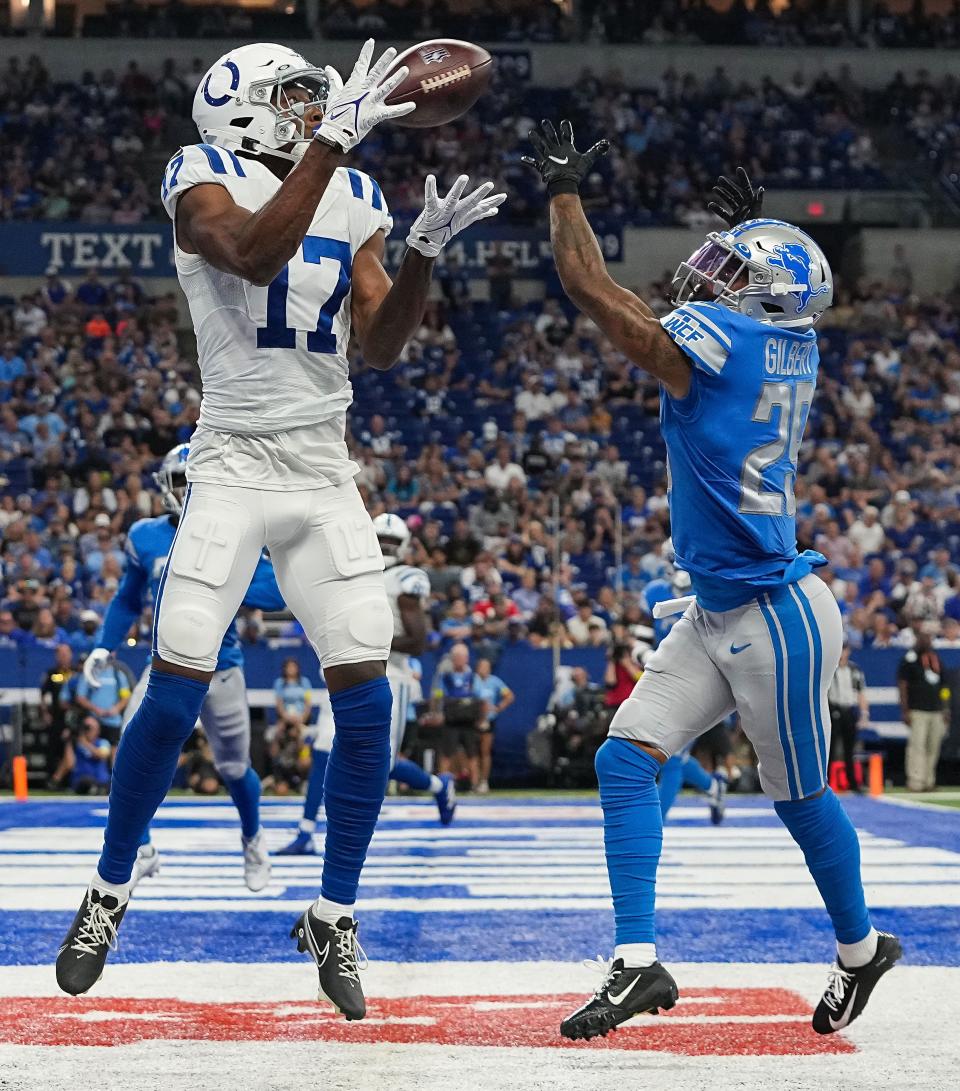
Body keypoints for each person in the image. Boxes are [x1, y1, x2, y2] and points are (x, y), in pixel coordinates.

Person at [56, 38, 504, 1020]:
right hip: (228, 462)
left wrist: (420, 254)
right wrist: (330, 150)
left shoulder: (354, 196)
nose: (319, 106)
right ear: (239, 107)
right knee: (174, 688)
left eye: (317, 95)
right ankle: (110, 887)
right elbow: (253, 252)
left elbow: (380, 344)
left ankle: (335, 909)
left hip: (320, 466)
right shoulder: (198, 171)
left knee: (369, 696)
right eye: (297, 95)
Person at [524, 132, 900, 1040]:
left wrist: (566, 194)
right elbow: (742, 314)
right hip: (724, 601)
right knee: (626, 755)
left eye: (730, 269)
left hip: (777, 616)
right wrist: (748, 236)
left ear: (758, 298)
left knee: (801, 799)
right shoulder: (782, 338)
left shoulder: (725, 340)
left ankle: (861, 949)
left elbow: (594, 293)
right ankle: (636, 961)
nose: (709, 279)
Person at [80, 444, 286, 892]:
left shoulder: (237, 534)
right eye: (180, 479)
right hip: (166, 665)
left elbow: (278, 594)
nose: (187, 489)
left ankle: (253, 837)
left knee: (233, 768)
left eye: (194, 479)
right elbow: (128, 598)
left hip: (222, 667)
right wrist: (104, 646)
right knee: (130, 752)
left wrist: (241, 568)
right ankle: (143, 848)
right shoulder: (146, 536)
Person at [278, 513, 456, 854]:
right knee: (321, 751)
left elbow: (418, 641)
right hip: (344, 669)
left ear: (403, 548)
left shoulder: (405, 579)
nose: (386, 547)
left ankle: (437, 785)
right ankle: (305, 832)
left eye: (391, 543)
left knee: (381, 764)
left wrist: (365, 643)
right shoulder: (351, 573)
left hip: (389, 674)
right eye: (382, 540)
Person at [898, 632, 948, 792]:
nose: (927, 641)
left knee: (933, 747)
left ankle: (928, 781)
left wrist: (945, 708)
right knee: (917, 746)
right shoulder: (910, 659)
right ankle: (916, 782)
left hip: (936, 710)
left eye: (929, 639)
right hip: (918, 710)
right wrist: (905, 710)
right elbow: (903, 685)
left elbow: (944, 687)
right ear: (918, 640)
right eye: (924, 639)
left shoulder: (936, 659)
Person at [438, 642, 483, 788]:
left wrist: (481, 718)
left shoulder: (472, 677)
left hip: (468, 721)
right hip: (451, 721)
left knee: (472, 753)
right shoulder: (446, 677)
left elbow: (480, 698)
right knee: (446, 753)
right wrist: (438, 711)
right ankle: (443, 785)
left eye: (461, 657)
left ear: (467, 658)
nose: (458, 660)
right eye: (456, 657)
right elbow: (438, 695)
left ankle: (475, 784)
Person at [828, 645, 870, 793]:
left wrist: (864, 714)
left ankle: (852, 782)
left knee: (850, 749)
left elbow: (861, 693)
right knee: (830, 748)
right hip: (833, 708)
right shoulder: (830, 668)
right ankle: (825, 783)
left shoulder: (854, 670)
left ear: (848, 651)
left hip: (849, 710)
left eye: (844, 650)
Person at [472, 656, 514, 793]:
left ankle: (484, 781)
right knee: (472, 751)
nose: (484, 670)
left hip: (489, 719)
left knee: (485, 750)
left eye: (486, 667)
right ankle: (474, 780)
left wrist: (498, 707)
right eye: (482, 667)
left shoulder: (495, 681)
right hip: (473, 719)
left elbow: (509, 696)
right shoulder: (472, 680)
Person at [39, 643, 78, 788]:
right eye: (60, 654)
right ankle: (51, 779)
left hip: (73, 718)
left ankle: (68, 780)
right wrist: (45, 713)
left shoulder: (76, 672)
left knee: (70, 748)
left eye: (66, 653)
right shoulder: (52, 673)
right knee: (53, 748)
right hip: (57, 717)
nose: (63, 657)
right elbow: (43, 695)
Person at [69, 716, 113, 795]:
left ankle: (97, 789)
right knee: (86, 781)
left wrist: (84, 743)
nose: (87, 731)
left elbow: (102, 755)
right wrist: (69, 743)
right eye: (85, 727)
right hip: (82, 779)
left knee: (111, 783)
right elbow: (70, 763)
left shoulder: (103, 742)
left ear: (98, 730)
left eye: (90, 728)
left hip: (102, 780)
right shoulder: (76, 743)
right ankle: (94, 789)